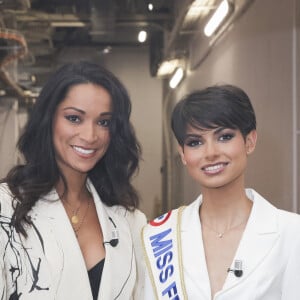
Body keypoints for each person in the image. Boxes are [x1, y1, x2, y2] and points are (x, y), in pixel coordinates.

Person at [0, 61, 146, 299]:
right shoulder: (6, 207)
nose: (90, 136)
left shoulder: (129, 220)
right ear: (49, 119)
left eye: (103, 122)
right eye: (74, 118)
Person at [142, 84, 300, 299]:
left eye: (224, 137)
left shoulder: (292, 233)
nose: (211, 153)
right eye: (195, 142)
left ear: (250, 141)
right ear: (183, 153)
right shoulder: (159, 236)